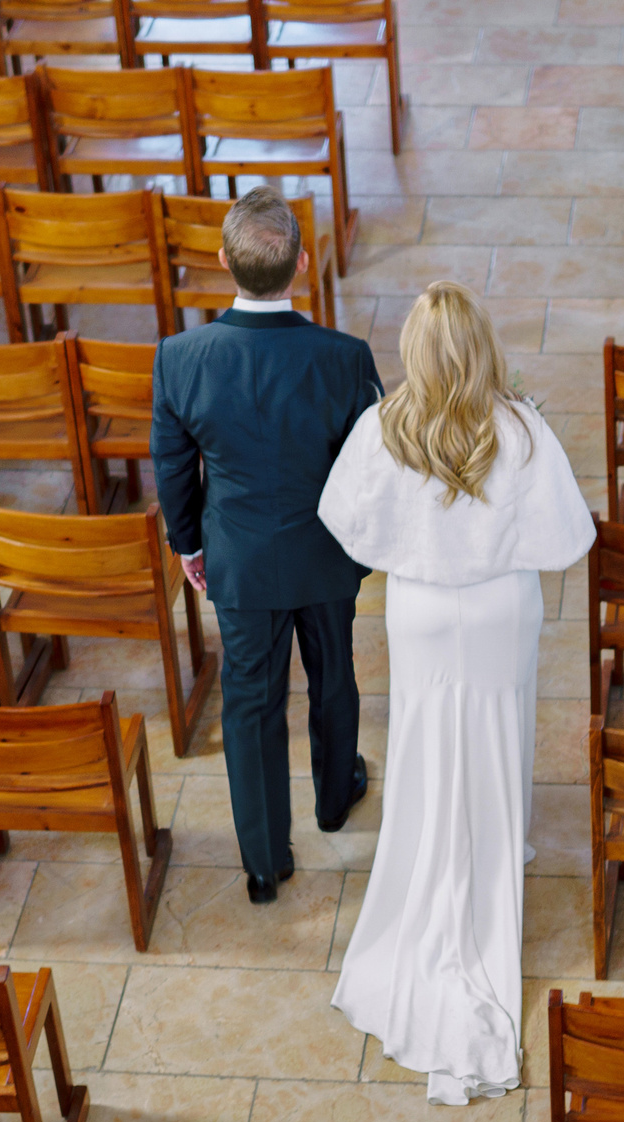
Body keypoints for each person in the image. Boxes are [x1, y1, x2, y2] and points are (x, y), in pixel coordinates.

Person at [319, 283, 594, 1105]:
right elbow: (569, 538)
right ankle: (490, 846)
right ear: (481, 349)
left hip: (425, 614)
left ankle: (437, 854)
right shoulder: (519, 429)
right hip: (500, 611)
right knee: (498, 736)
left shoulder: (384, 427)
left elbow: (344, 521)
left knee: (426, 741)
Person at [151, 186, 383, 904]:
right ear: (303, 264)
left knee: (250, 706)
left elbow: (171, 466)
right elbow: (367, 463)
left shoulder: (180, 357)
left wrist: (190, 545)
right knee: (333, 676)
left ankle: (262, 861)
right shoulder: (344, 358)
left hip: (241, 563)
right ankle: (333, 798)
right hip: (325, 557)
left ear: (224, 261)